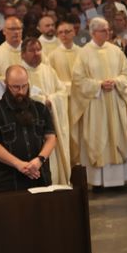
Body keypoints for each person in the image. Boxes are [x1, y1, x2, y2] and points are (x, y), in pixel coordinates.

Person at [72, 18, 127, 190]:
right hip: (95, 103)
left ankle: (118, 180)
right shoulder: (84, 53)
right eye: (103, 30)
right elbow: (78, 80)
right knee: (97, 138)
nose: (108, 33)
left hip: (115, 101)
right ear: (93, 32)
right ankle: (97, 182)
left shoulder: (116, 51)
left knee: (117, 136)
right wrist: (98, 85)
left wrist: (116, 82)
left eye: (108, 30)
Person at [0, 65, 56, 191]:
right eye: (15, 87)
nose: (21, 91)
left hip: (40, 178)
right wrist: (18, 164)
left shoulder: (40, 109)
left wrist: (39, 160)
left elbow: (51, 138)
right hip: (9, 182)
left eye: (24, 86)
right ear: (6, 84)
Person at [21, 37, 73, 185]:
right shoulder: (20, 72)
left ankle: (58, 182)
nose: (36, 53)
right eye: (31, 50)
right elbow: (20, 95)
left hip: (52, 120)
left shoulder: (48, 70)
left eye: (38, 49)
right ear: (23, 54)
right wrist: (42, 100)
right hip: (32, 125)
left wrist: (52, 100)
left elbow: (62, 92)